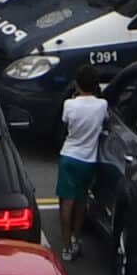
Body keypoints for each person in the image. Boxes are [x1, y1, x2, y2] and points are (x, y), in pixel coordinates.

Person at [56, 65, 107, 259]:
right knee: (81, 201)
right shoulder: (102, 105)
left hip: (69, 156)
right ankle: (77, 238)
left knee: (66, 203)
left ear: (77, 84)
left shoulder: (69, 105)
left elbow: (65, 125)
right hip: (88, 160)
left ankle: (66, 246)